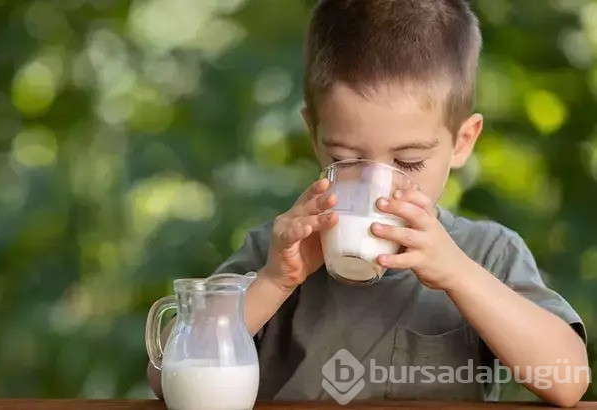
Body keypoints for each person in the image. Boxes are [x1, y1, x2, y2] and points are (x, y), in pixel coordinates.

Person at [147, 0, 589, 406]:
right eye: (345, 160)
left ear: (462, 142)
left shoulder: (486, 254)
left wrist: (458, 274)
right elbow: (162, 375)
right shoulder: (276, 251)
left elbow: (569, 382)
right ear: (313, 134)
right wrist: (273, 283)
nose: (377, 188)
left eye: (409, 162)